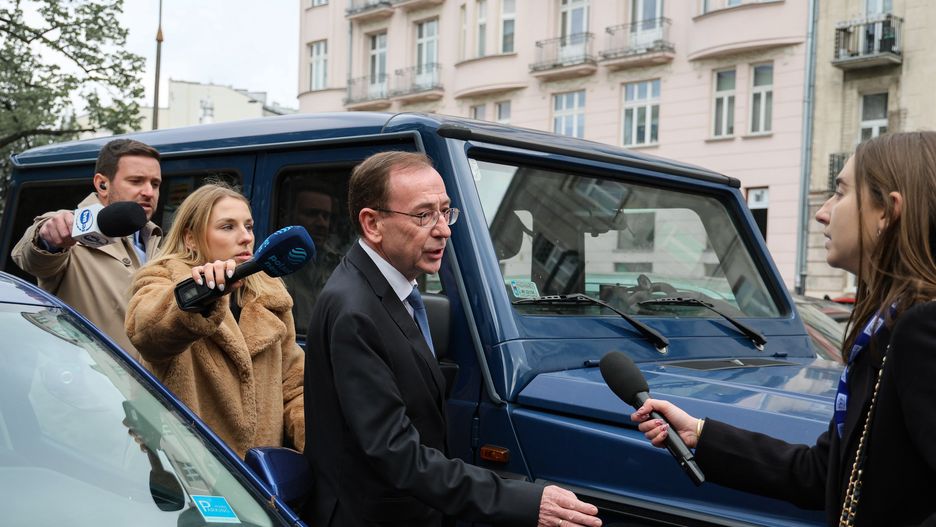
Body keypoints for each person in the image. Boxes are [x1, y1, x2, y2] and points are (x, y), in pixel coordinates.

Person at [631, 132, 936, 526]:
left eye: (840, 193)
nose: (822, 213)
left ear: (887, 212)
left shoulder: (922, 329)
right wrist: (700, 435)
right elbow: (822, 475)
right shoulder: (889, 328)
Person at [303, 151, 602, 527]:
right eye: (424, 215)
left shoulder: (390, 288)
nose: (443, 229)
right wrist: (521, 501)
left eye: (446, 212)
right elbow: (395, 452)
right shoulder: (355, 309)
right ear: (372, 224)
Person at [125, 183, 304, 458]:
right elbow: (146, 331)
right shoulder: (163, 280)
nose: (245, 237)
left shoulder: (270, 294)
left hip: (259, 476)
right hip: (187, 468)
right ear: (191, 238)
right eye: (228, 227)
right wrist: (201, 295)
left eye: (249, 226)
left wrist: (318, 447)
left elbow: (293, 386)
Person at [12, 138, 162, 357]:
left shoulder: (158, 243)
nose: (149, 192)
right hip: (85, 378)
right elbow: (31, 256)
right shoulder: (70, 227)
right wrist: (46, 238)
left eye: (155, 184)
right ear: (102, 184)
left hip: (147, 379)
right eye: (136, 181)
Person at [281, 183, 343, 332]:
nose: (322, 223)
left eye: (326, 216)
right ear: (291, 216)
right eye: (311, 214)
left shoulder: (340, 264)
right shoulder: (277, 264)